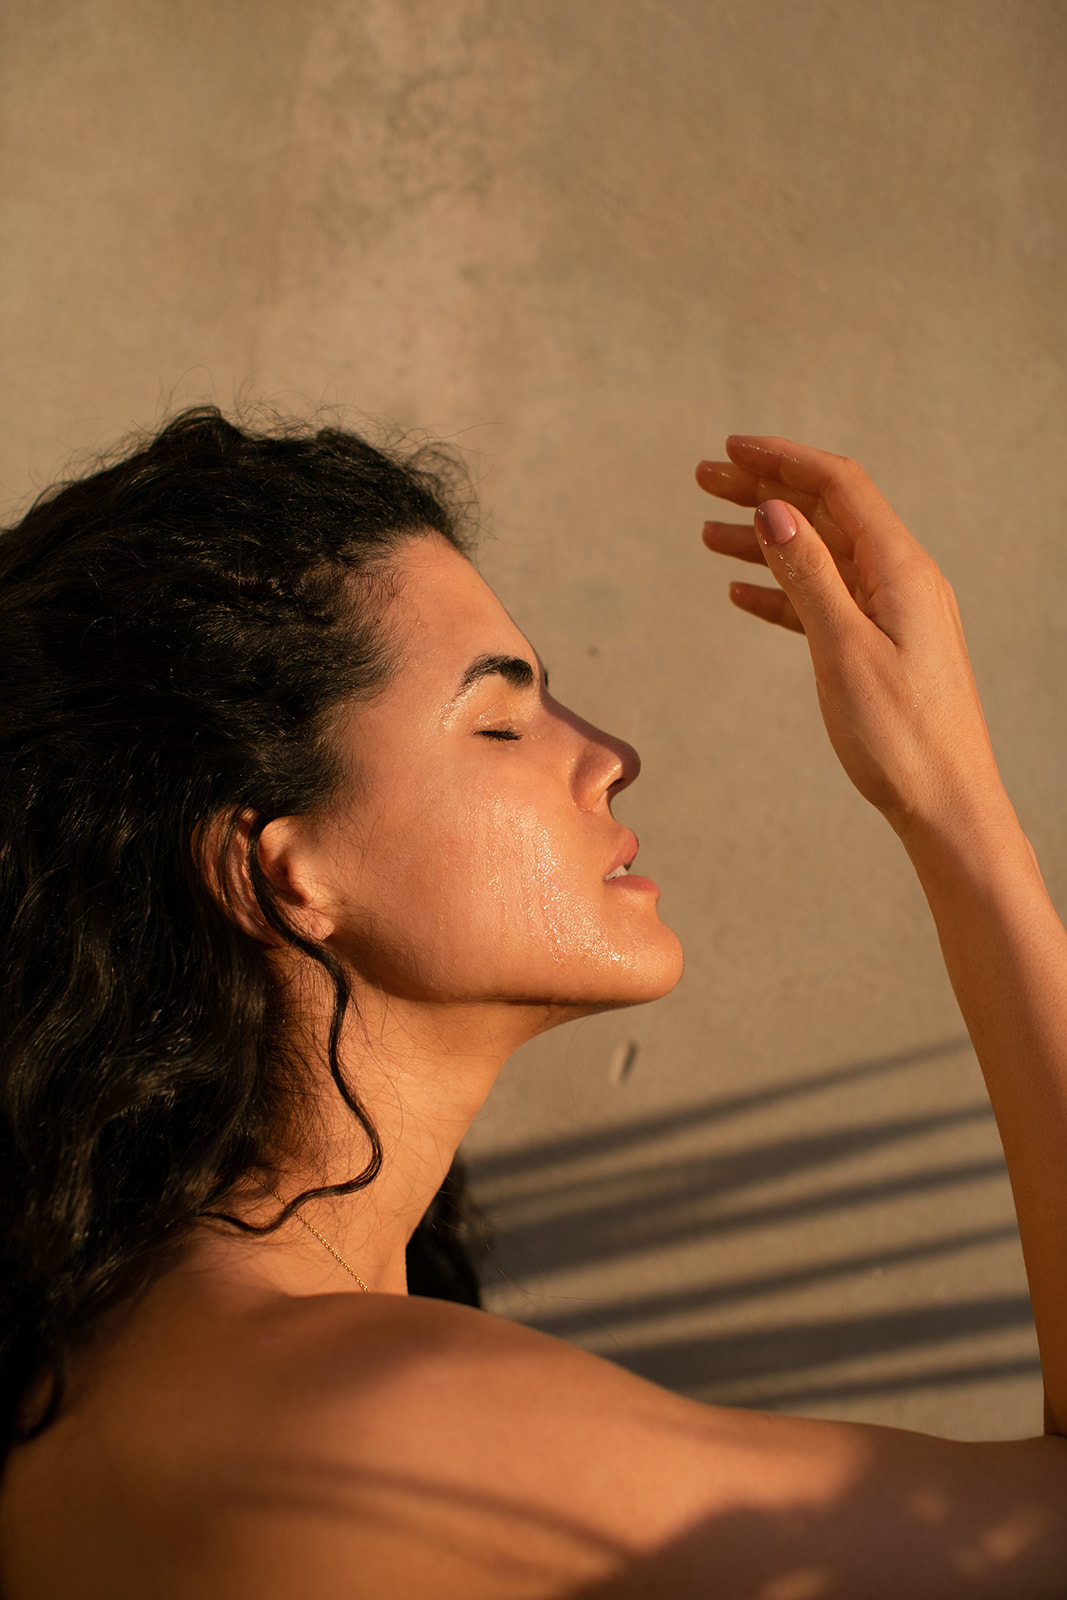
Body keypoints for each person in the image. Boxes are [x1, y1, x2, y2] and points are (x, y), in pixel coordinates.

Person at [0, 410, 1065, 1599]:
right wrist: (953, 802)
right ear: (280, 873)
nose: (609, 756)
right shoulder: (375, 1425)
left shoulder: (123, 1356)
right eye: (499, 722)